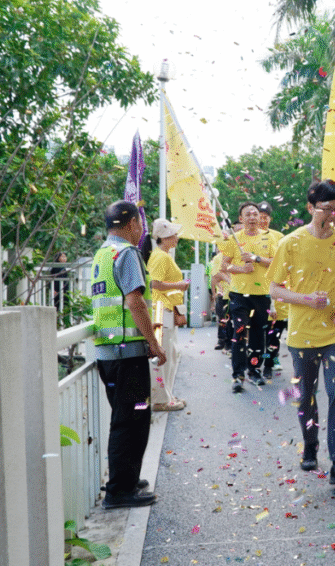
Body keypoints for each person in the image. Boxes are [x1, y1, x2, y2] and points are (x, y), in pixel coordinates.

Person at [267, 180, 335, 484]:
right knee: (306, 395)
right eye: (327, 209)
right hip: (302, 335)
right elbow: (274, 289)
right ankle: (310, 446)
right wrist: (306, 299)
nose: (334, 215)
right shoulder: (290, 243)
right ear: (310, 208)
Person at [91, 200, 165, 509]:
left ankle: (129, 479)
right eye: (140, 224)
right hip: (128, 354)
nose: (141, 230)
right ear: (132, 224)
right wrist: (154, 342)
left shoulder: (102, 254)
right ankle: (120, 490)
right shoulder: (128, 253)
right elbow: (136, 301)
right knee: (131, 421)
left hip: (108, 353)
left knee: (127, 418)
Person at [221, 202, 278, 391]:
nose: (253, 217)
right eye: (248, 214)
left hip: (262, 295)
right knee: (239, 334)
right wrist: (241, 269)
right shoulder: (233, 239)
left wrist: (255, 259)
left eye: (255, 214)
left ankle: (254, 371)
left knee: (257, 336)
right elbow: (225, 267)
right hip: (239, 295)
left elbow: (276, 264)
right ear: (241, 218)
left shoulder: (269, 239)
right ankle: (237, 375)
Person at [147, 219, 188, 412]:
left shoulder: (162, 255)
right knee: (163, 354)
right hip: (160, 308)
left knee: (169, 354)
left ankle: (166, 395)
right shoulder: (161, 257)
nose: (176, 238)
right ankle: (160, 399)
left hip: (163, 308)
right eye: (173, 235)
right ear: (165, 237)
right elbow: (155, 284)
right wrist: (179, 286)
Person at [258, 201, 287, 377]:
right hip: (257, 292)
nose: (262, 220)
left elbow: (282, 262)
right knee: (260, 332)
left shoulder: (279, 237)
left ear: (270, 219)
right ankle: (262, 361)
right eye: (259, 217)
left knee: (276, 331)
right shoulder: (249, 237)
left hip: (277, 290)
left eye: (265, 217)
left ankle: (271, 360)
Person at [208, 247, 232, 352]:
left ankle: (231, 344)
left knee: (232, 320)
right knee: (222, 318)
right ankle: (222, 341)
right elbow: (214, 277)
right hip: (223, 294)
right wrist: (214, 293)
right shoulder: (218, 258)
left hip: (236, 292)